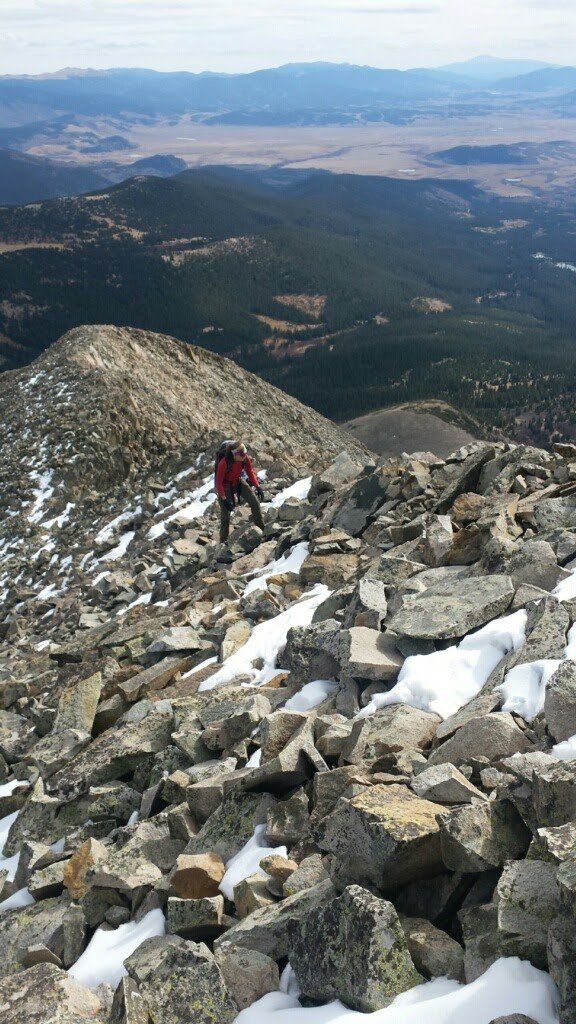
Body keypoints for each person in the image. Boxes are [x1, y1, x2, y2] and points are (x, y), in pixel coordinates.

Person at [215, 440, 265, 543]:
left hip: (237, 481)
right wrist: (224, 500)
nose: (245, 454)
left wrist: (257, 486)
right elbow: (218, 483)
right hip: (225, 486)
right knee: (226, 515)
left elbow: (250, 472)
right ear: (234, 454)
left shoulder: (244, 458)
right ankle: (223, 542)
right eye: (242, 453)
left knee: (255, 502)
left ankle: (261, 530)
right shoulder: (223, 463)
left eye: (245, 451)